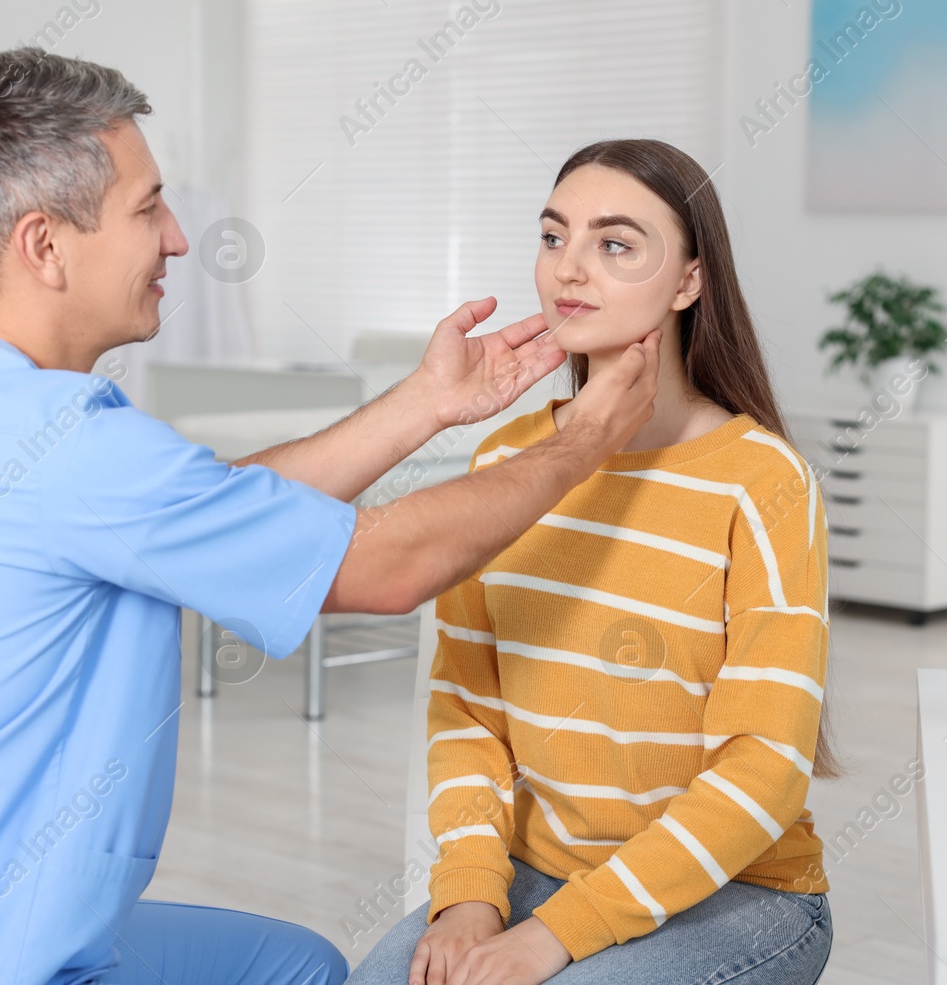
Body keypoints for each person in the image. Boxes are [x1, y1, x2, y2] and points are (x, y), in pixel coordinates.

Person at [0, 51, 663, 985]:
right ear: (45, 246)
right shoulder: (68, 447)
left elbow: (202, 508)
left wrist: (427, 403)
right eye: (148, 207)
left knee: (297, 964)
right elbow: (386, 568)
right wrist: (583, 440)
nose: (178, 240)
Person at [348, 139, 835, 985]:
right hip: (536, 872)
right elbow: (468, 706)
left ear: (688, 281)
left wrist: (554, 936)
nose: (569, 269)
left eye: (614, 244)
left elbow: (766, 770)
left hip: (738, 891)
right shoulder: (506, 465)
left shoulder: (764, 482)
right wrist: (468, 895)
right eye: (552, 236)